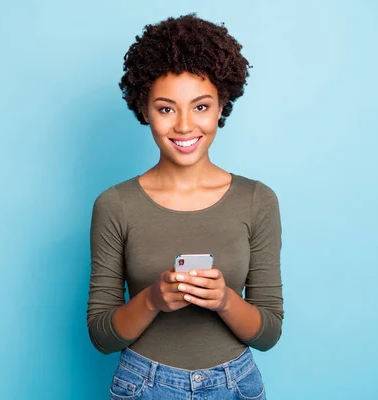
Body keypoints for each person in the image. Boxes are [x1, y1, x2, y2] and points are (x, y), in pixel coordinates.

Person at [86, 14, 283, 400]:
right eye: (165, 109)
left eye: (200, 106)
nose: (184, 126)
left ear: (221, 106)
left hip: (235, 386)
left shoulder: (257, 200)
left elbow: (269, 332)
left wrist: (225, 300)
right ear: (144, 110)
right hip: (143, 385)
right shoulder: (115, 205)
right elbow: (102, 335)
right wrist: (153, 299)